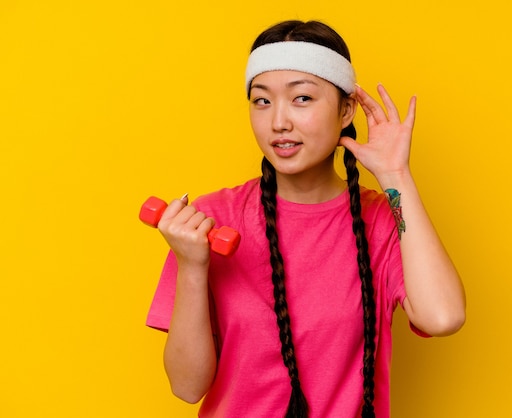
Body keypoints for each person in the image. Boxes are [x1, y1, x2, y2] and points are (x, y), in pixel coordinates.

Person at [145, 20, 466, 418]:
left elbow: (444, 316)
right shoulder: (210, 222)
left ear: (346, 110)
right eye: (262, 101)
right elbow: (186, 387)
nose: (278, 121)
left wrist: (396, 177)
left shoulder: (381, 222)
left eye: (301, 99)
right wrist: (193, 267)